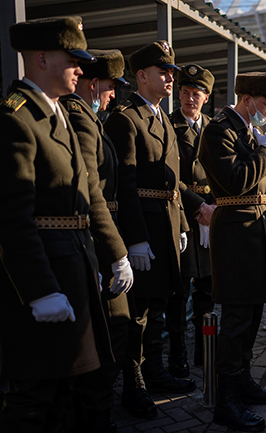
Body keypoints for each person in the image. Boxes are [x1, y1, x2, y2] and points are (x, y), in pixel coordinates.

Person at [0, 16, 116, 432]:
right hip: (44, 277)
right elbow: (12, 218)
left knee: (67, 389)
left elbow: (81, 196)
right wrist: (40, 290)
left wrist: (104, 259)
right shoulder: (16, 119)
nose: (81, 69)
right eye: (73, 60)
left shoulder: (57, 114)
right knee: (33, 397)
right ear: (43, 58)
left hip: (73, 268)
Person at [103, 41, 197, 408]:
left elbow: (174, 183)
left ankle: (155, 371)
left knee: (158, 305)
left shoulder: (161, 117)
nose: (170, 78)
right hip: (144, 226)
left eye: (171, 72)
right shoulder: (125, 119)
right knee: (137, 313)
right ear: (141, 76)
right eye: (163, 72)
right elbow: (124, 186)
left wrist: (184, 227)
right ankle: (134, 383)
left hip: (168, 224)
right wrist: (136, 240)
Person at [198, 72, 266, 431]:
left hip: (258, 231)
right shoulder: (220, 130)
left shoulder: (249, 129)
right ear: (247, 99)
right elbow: (237, 181)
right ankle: (227, 399)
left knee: (250, 317)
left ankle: (244, 381)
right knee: (235, 322)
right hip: (236, 234)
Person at [62, 48, 138, 432]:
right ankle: (94, 417)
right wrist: (115, 253)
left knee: (112, 330)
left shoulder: (91, 118)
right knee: (111, 330)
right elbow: (90, 190)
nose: (113, 96)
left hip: (99, 236)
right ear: (95, 85)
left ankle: (96, 412)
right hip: (94, 241)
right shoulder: (81, 119)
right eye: (110, 88)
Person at [167, 64, 216, 376]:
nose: (189, 98)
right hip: (183, 216)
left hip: (211, 217)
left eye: (196, 94)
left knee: (208, 291)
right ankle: (177, 355)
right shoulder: (169, 126)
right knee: (179, 292)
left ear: (206, 97)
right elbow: (169, 175)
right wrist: (199, 205)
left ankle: (203, 351)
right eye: (185, 93)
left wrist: (214, 206)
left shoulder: (214, 127)